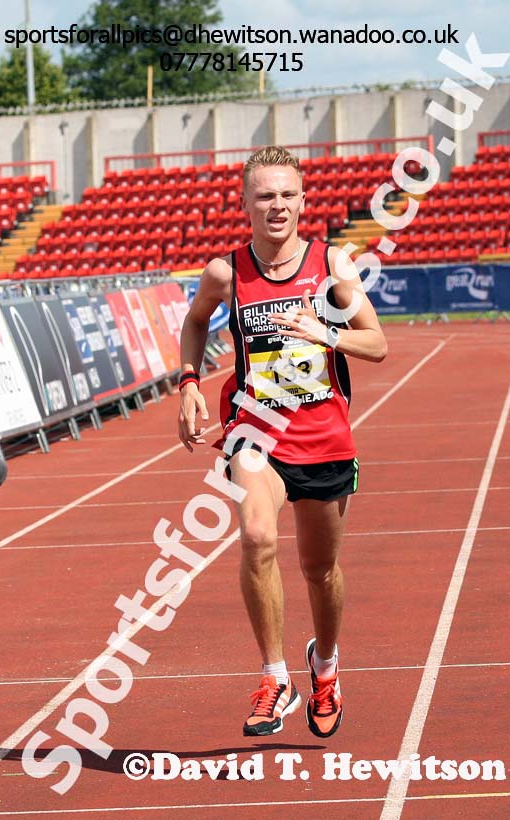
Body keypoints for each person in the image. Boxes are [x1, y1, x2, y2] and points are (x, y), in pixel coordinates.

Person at [178, 145, 387, 738]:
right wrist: (190, 383)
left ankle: (325, 667)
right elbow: (196, 322)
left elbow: (377, 343)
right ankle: (275, 675)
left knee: (320, 571)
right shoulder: (225, 273)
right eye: (264, 195)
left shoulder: (333, 266)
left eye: (287, 194)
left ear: (303, 200)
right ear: (244, 202)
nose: (277, 205)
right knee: (256, 535)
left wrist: (329, 332)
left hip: (322, 438)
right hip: (255, 435)